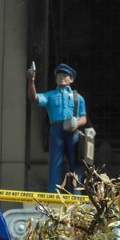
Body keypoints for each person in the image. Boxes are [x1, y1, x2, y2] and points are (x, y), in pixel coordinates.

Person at [27, 62, 87, 192]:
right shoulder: (51, 95)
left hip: (73, 131)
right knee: (55, 163)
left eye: (65, 75)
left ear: (71, 79)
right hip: (56, 130)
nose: (61, 78)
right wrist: (31, 81)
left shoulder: (78, 98)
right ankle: (53, 194)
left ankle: (76, 195)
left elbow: (84, 117)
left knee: (75, 163)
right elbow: (34, 98)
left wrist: (76, 124)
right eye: (59, 76)